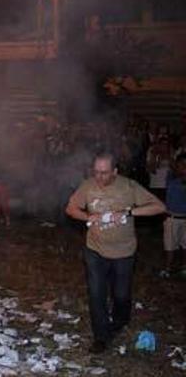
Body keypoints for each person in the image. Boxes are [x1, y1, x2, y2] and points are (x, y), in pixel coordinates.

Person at [65, 151, 165, 354]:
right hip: (95, 250)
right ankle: (101, 337)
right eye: (96, 172)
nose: (99, 177)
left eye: (104, 173)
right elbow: (70, 208)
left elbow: (159, 206)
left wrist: (128, 212)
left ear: (115, 172)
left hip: (123, 253)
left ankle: (120, 320)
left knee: (121, 294)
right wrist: (87, 217)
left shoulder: (128, 186)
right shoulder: (88, 185)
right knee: (96, 294)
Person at [161, 153, 186, 278]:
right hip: (172, 217)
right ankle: (168, 268)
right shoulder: (171, 177)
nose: (184, 167)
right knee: (169, 245)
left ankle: (184, 268)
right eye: (181, 164)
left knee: (185, 245)